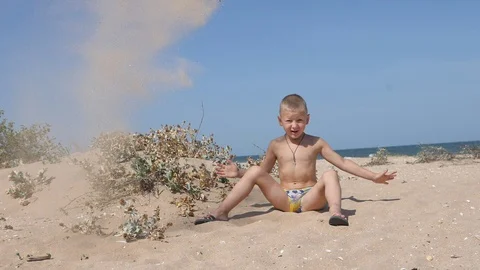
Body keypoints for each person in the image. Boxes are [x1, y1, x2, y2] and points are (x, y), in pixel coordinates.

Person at [194, 94, 397, 226]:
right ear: (280, 121)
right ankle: (221, 212)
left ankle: (336, 213)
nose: (294, 125)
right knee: (255, 170)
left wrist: (373, 177)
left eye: (299, 120)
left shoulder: (316, 143)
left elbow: (342, 163)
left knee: (330, 173)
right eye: (289, 120)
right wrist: (239, 173)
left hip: (310, 199)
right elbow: (262, 172)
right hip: (283, 198)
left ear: (307, 120)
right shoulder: (275, 145)